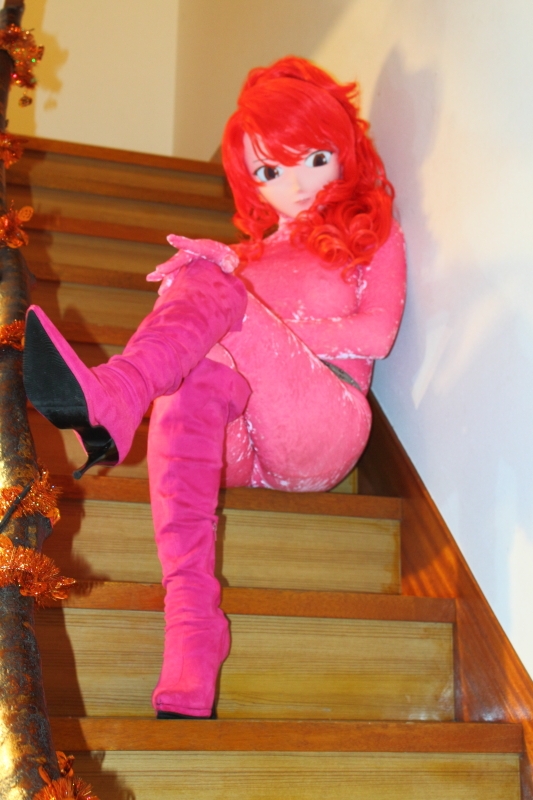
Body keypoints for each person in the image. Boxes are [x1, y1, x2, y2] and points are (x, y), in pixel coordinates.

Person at [22, 56, 406, 719]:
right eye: (270, 171)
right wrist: (212, 295)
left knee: (209, 284)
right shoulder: (247, 257)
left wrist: (261, 319)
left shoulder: (368, 235)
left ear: (343, 150)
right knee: (195, 338)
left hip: (322, 424)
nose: (295, 184)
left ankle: (121, 392)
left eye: (314, 158)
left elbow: (376, 333)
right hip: (237, 445)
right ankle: (192, 623)